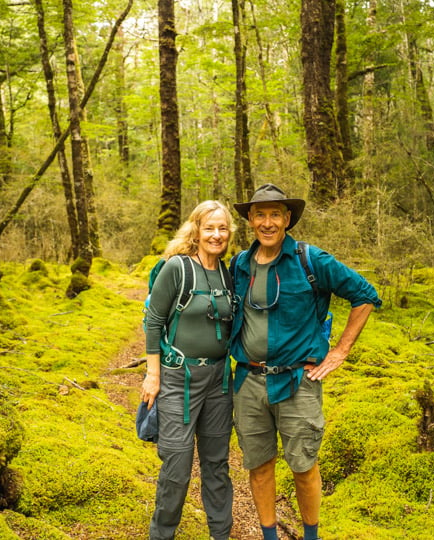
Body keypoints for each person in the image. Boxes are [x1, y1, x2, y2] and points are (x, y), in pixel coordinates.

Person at [228, 184, 381, 540]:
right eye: (260, 214)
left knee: (303, 466)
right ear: (251, 219)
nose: (268, 222)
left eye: (275, 214)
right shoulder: (238, 265)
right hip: (248, 383)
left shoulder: (311, 260)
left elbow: (365, 295)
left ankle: (311, 535)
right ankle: (269, 535)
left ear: (287, 219)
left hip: (298, 382)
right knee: (259, 466)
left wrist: (340, 350)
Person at [142, 200, 236, 540]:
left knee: (216, 464)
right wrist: (153, 376)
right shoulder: (177, 268)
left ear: (229, 233)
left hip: (219, 382)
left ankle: (220, 534)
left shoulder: (229, 272)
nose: (216, 235)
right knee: (177, 466)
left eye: (222, 228)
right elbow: (154, 322)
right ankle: (162, 534)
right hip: (178, 380)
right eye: (209, 227)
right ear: (195, 230)